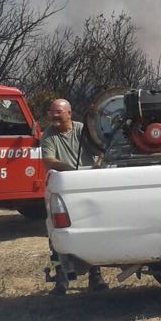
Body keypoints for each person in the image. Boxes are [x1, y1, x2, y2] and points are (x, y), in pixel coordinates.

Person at [41, 98, 107, 295]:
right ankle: (61, 280)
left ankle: (96, 277)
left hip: (87, 188)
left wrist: (97, 166)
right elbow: (49, 160)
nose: (54, 116)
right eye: (51, 112)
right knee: (56, 237)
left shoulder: (83, 130)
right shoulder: (49, 135)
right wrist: (72, 171)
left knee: (91, 233)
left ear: (69, 113)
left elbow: (102, 148)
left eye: (58, 112)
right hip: (63, 190)